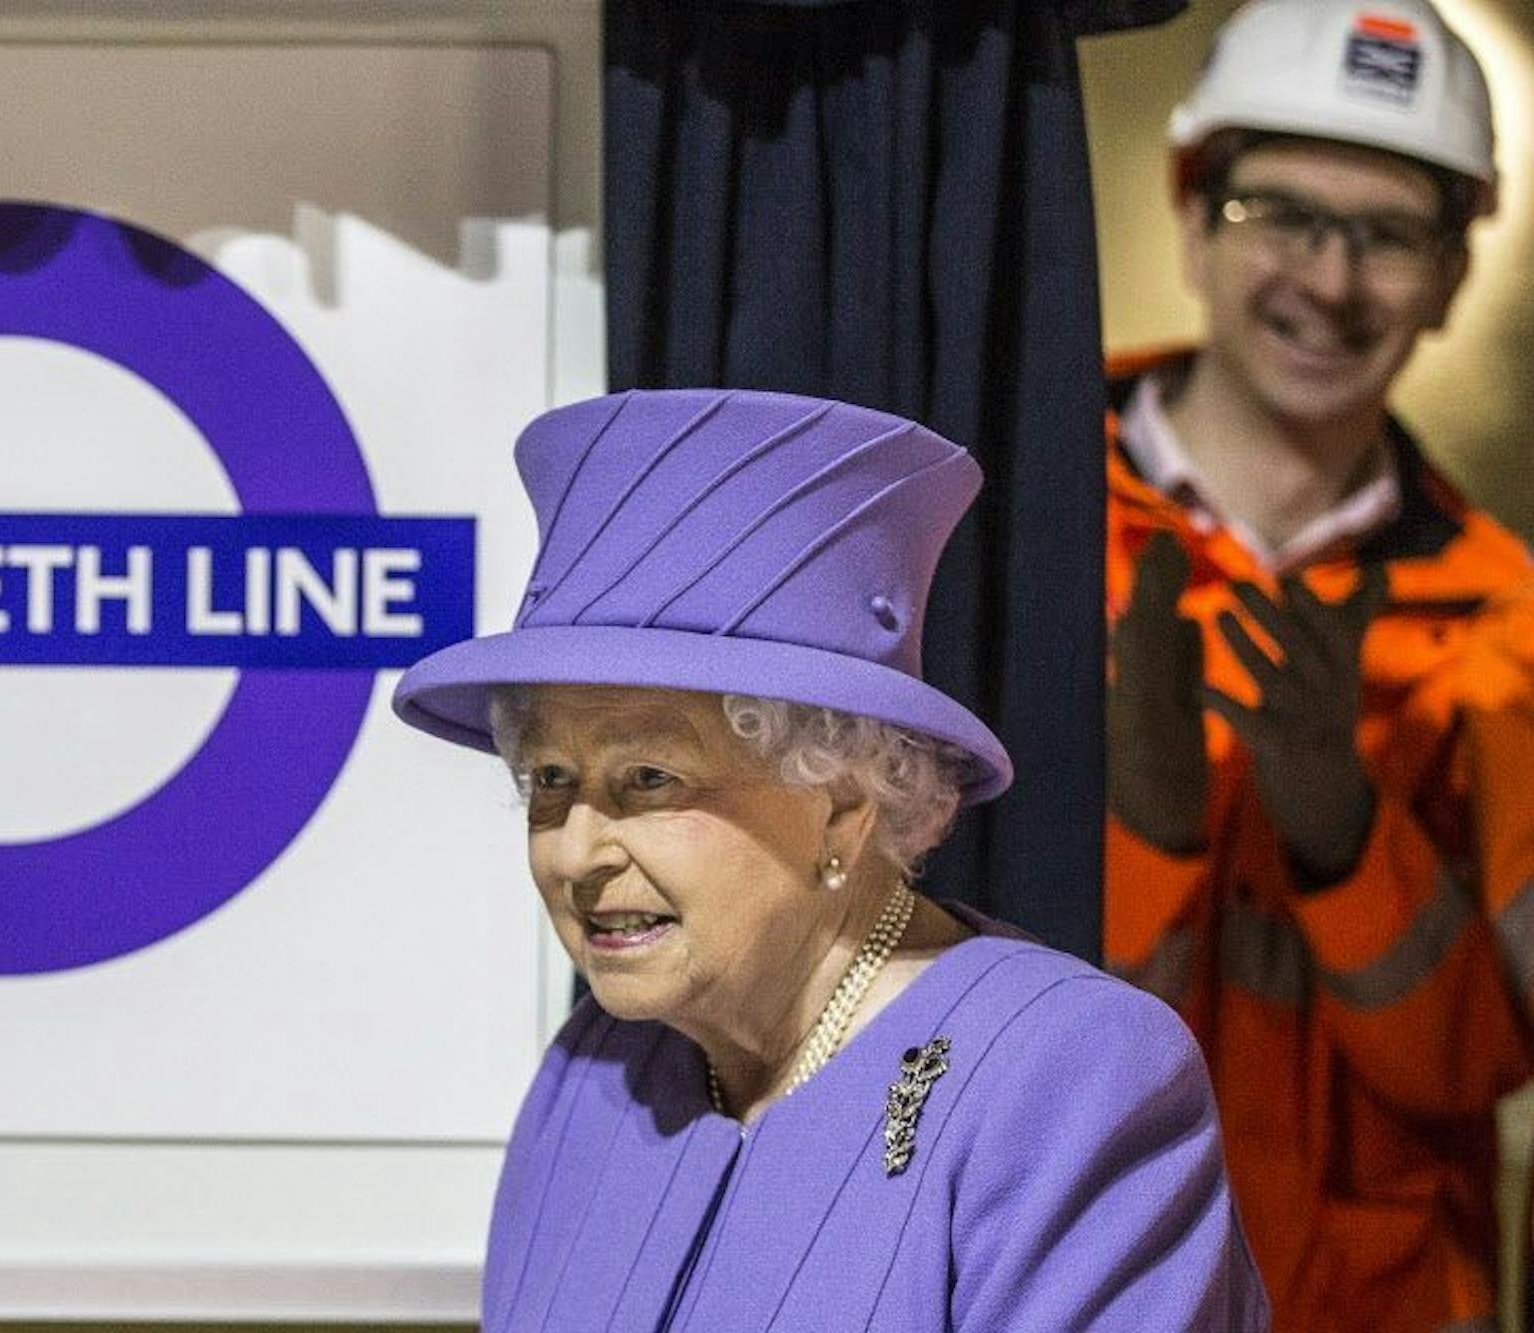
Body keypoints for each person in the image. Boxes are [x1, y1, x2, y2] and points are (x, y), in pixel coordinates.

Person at [394, 389, 1269, 1330]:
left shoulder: (1066, 1075)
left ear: (844, 806)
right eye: (552, 778)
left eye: (647, 777)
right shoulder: (597, 1071)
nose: (575, 849)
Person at [1101, 2, 1534, 1328]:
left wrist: (1342, 833)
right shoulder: (1015, 521)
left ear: (1457, 269)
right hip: (1074, 1284)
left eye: (1391, 234)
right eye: (1282, 214)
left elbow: (1485, 1063)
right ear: (1192, 212)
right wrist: (1148, 827)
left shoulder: (1512, 624)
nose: (1333, 284)